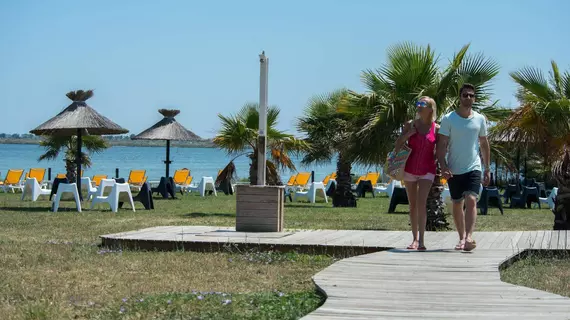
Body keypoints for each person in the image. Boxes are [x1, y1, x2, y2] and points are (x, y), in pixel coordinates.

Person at [437, 83, 491, 251]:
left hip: (474, 166)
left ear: (474, 98)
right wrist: (443, 165)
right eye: (465, 95)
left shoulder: (480, 119)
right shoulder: (448, 119)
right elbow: (441, 145)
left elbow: (484, 144)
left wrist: (487, 168)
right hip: (453, 168)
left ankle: (469, 236)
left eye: (471, 95)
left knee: (471, 199)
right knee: (457, 203)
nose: (468, 98)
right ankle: (461, 238)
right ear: (459, 97)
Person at [394, 96, 438, 251]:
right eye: (417, 103)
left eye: (422, 104)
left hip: (428, 170)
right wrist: (408, 134)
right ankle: (414, 239)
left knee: (421, 202)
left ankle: (422, 241)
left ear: (431, 108)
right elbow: (398, 145)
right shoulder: (410, 125)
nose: (419, 106)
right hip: (409, 169)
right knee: (412, 205)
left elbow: (440, 150)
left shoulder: (436, 128)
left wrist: (443, 164)